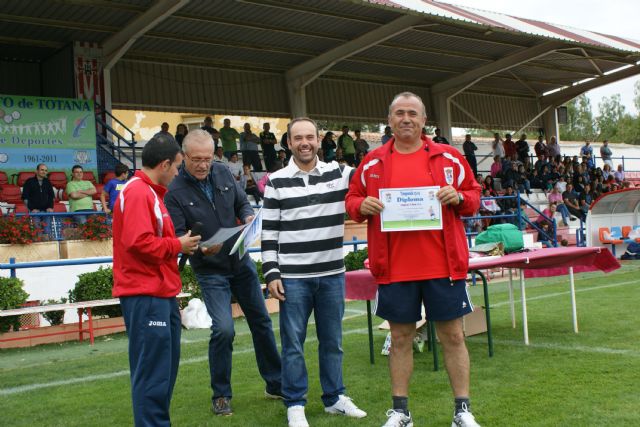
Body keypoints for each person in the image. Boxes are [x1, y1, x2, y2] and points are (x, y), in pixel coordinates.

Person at [345, 92, 481, 427]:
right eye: (399, 113)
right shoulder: (373, 162)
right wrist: (361, 206)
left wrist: (459, 197)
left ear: (424, 120)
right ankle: (401, 412)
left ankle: (462, 411)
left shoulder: (449, 158)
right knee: (401, 338)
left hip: (443, 266)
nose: (406, 119)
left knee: (453, 336)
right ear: (389, 120)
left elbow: (475, 197)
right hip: (395, 268)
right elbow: (351, 199)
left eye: (413, 113)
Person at [165, 129, 282, 417]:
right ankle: (221, 394)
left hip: (240, 262)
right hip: (210, 270)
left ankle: (276, 383)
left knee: (262, 322)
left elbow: (242, 202)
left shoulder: (222, 173)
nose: (203, 165)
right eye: (196, 160)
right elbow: (179, 237)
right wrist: (201, 248)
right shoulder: (174, 192)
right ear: (184, 157)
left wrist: (249, 216)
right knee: (224, 330)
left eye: (207, 158)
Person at [262, 117, 367, 427]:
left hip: (332, 274)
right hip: (293, 277)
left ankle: (334, 397)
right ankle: (295, 404)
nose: (304, 142)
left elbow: (373, 172)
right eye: (298, 138)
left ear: (320, 141)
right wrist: (271, 273)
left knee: (332, 340)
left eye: (310, 137)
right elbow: (269, 231)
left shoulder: (340, 173)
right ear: (289, 142)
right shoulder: (276, 180)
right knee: (293, 343)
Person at [112, 135, 201, 427]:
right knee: (153, 374)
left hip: (158, 293)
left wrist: (178, 244)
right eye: (176, 166)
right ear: (164, 164)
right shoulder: (139, 192)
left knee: (162, 373)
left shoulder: (150, 193)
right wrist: (178, 246)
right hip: (146, 294)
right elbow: (139, 243)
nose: (178, 173)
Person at [21, 163, 55, 234]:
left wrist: (50, 207)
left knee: (47, 231)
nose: (44, 172)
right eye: (42, 170)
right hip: (35, 212)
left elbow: (51, 196)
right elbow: (25, 198)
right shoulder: (29, 181)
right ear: (36, 171)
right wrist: (32, 209)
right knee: (38, 232)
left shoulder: (47, 182)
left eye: (45, 170)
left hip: (46, 212)